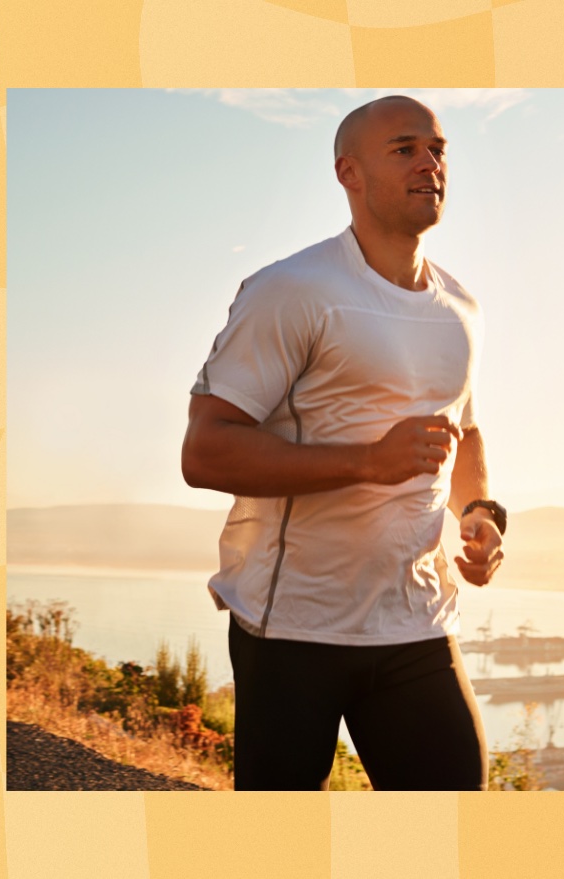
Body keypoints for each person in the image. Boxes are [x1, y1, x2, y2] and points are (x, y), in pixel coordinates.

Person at [181, 95, 505, 791]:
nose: (429, 162)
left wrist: (478, 513)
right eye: (405, 148)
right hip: (293, 628)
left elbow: (463, 432)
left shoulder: (462, 308)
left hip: (415, 622)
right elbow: (206, 450)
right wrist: (367, 461)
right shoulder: (292, 290)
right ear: (347, 172)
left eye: (438, 149)